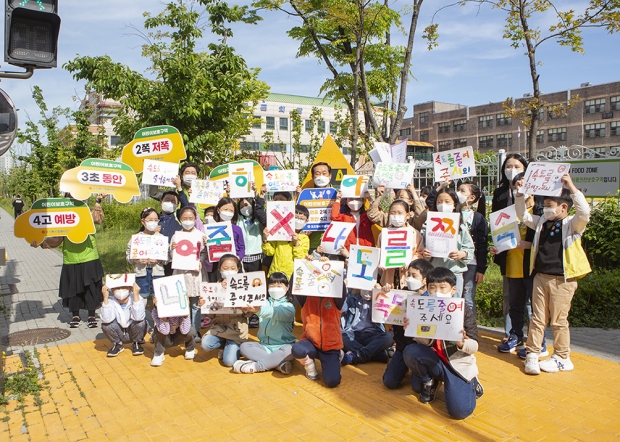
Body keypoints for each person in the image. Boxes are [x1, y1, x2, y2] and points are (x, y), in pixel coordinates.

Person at [516, 174, 591, 375]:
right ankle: (532, 354)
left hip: (563, 280)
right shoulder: (542, 221)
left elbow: (584, 212)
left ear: (563, 207)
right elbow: (523, 216)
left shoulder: (572, 225)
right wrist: (519, 195)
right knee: (537, 318)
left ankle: (562, 357)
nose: (546, 208)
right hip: (541, 276)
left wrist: (572, 188)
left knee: (559, 320)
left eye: (549, 205)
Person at [402, 267, 483, 419]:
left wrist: (461, 343)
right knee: (411, 353)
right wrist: (413, 329)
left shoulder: (462, 310)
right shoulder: (423, 307)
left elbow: (474, 347)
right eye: (432, 287)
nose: (437, 291)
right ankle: (430, 381)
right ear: (427, 288)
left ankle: (471, 381)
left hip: (457, 364)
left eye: (442, 287)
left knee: (460, 412)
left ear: (453, 290)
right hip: (435, 361)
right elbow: (424, 343)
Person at [31, 193, 106, 328]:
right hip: (71, 257)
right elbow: (57, 238)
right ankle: (75, 316)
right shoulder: (62, 217)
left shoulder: (86, 212)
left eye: (77, 196)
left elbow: (97, 219)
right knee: (73, 289)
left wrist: (98, 201)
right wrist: (41, 242)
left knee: (91, 288)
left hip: (89, 255)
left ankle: (91, 315)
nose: (74, 199)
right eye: (70, 196)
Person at [494, 173, 548, 357]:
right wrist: (498, 248)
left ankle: (539, 343)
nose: (520, 187)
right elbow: (502, 236)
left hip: (532, 267)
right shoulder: (508, 212)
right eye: (517, 185)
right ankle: (515, 336)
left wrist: (530, 245)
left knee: (536, 308)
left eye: (524, 184)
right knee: (515, 306)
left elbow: (548, 240)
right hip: (512, 265)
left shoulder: (542, 212)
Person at [291, 256, 346, 388]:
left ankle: (337, 356)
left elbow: (341, 287)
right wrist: (305, 265)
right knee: (297, 349)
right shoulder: (306, 297)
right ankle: (309, 365)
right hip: (311, 343)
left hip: (331, 347)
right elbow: (295, 282)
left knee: (332, 382)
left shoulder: (335, 299)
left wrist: (329, 266)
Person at [492, 153, 529, 343]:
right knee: (509, 294)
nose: (512, 170)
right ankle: (511, 333)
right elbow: (495, 219)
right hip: (506, 249)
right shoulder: (500, 193)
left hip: (527, 250)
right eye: (508, 166)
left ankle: (531, 335)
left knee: (529, 297)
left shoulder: (533, 192)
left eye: (516, 166)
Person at [382, 259, 434, 390]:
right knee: (389, 382)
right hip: (402, 346)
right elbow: (388, 318)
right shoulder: (401, 294)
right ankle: (405, 366)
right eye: (408, 275)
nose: (409, 278)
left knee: (417, 388)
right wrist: (385, 294)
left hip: (421, 349)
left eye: (414, 275)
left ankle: (429, 376)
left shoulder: (432, 300)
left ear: (424, 280)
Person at [233, 272, 296, 374]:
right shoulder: (263, 302)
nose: (275, 288)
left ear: (287, 287)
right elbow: (248, 299)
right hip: (265, 346)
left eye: (279, 286)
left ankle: (257, 366)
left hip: (283, 346)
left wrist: (258, 310)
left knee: (291, 350)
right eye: (272, 285)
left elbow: (272, 312)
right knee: (244, 347)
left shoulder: (289, 307)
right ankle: (278, 364)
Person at [422, 186, 475, 298]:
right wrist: (425, 254)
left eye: (447, 201)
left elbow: (469, 248)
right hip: (435, 274)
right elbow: (423, 247)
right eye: (439, 202)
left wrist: (462, 254)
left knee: (452, 309)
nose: (443, 205)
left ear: (454, 204)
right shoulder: (429, 225)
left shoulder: (461, 227)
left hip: (454, 273)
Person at [201, 254, 253, 367]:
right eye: (225, 268)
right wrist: (204, 305)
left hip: (236, 331)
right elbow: (211, 316)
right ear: (219, 269)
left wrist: (245, 308)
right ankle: (223, 344)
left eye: (233, 268)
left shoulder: (244, 287)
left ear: (238, 269)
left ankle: (234, 346)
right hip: (219, 329)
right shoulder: (214, 288)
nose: (229, 271)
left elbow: (249, 314)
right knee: (205, 344)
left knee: (229, 362)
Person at [170, 206, 206, 342]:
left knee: (196, 304)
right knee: (182, 303)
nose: (188, 221)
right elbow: (171, 256)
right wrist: (172, 248)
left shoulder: (201, 235)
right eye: (185, 218)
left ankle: (195, 330)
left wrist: (201, 261)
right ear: (180, 219)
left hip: (196, 274)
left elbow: (204, 253)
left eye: (191, 218)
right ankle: (182, 330)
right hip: (180, 274)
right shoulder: (176, 235)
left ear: (195, 219)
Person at [456, 181, 489, 318]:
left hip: (471, 264)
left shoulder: (478, 218)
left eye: (462, 191)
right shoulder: (451, 213)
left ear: (472, 198)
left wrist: (481, 269)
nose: (458, 193)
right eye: (458, 190)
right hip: (454, 263)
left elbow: (482, 244)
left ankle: (470, 331)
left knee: (468, 297)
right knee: (454, 296)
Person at [340, 287, 394, 366]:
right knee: (339, 335)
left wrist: (384, 292)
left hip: (373, 335)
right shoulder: (352, 298)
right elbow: (340, 309)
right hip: (353, 335)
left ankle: (359, 355)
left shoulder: (380, 299)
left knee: (390, 337)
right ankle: (375, 355)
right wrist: (345, 290)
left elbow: (390, 314)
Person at [378, 199, 425, 291]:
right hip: (388, 279)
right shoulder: (383, 234)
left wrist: (411, 262)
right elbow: (379, 252)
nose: (396, 216)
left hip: (407, 278)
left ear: (407, 215)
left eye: (400, 213)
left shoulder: (414, 233)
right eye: (392, 213)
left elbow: (420, 253)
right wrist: (381, 262)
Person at [126, 208, 167, 301]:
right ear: (143, 221)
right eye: (150, 220)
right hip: (141, 273)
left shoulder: (161, 238)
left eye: (156, 220)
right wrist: (136, 260)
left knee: (158, 299)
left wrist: (158, 260)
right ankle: (140, 315)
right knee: (141, 298)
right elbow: (128, 255)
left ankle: (156, 315)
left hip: (158, 272)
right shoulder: (136, 238)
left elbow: (167, 257)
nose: (153, 222)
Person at [100, 280, 147, 357]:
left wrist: (136, 295)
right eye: (117, 288)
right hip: (119, 332)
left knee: (141, 322)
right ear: (112, 290)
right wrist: (105, 297)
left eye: (123, 287)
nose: (120, 290)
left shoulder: (137, 298)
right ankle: (118, 344)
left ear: (129, 288)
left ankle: (136, 343)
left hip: (133, 331)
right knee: (105, 325)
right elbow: (106, 319)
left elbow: (139, 317)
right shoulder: (110, 301)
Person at [262, 205, 310, 278]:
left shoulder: (304, 238)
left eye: (301, 218)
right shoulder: (280, 233)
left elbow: (301, 258)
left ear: (306, 221)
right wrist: (265, 240)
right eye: (296, 217)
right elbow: (269, 252)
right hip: (276, 272)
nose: (298, 220)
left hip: (292, 275)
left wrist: (296, 243)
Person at [150, 294, 198, 367]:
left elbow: (185, 330)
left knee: (191, 330)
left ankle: (190, 348)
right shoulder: (155, 312)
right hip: (166, 338)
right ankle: (158, 353)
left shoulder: (180, 308)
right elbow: (164, 331)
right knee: (157, 330)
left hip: (179, 335)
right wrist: (163, 318)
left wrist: (185, 310)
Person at [237, 184, 267, 273]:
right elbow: (231, 208)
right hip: (242, 256)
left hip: (256, 255)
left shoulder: (258, 218)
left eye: (246, 205)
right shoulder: (239, 219)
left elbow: (259, 209)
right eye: (241, 206)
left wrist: (257, 194)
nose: (244, 208)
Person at [306, 162, 333, 253]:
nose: (321, 176)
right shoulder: (305, 196)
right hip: (313, 244)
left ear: (330, 176)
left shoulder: (337, 195)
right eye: (317, 173)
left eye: (324, 173)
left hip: (333, 243)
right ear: (313, 177)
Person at [158, 190, 182, 276]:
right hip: (156, 261)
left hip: (172, 261)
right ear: (161, 202)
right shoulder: (153, 219)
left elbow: (186, 205)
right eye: (167, 200)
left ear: (177, 205)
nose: (170, 203)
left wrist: (180, 189)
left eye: (173, 201)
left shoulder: (179, 219)